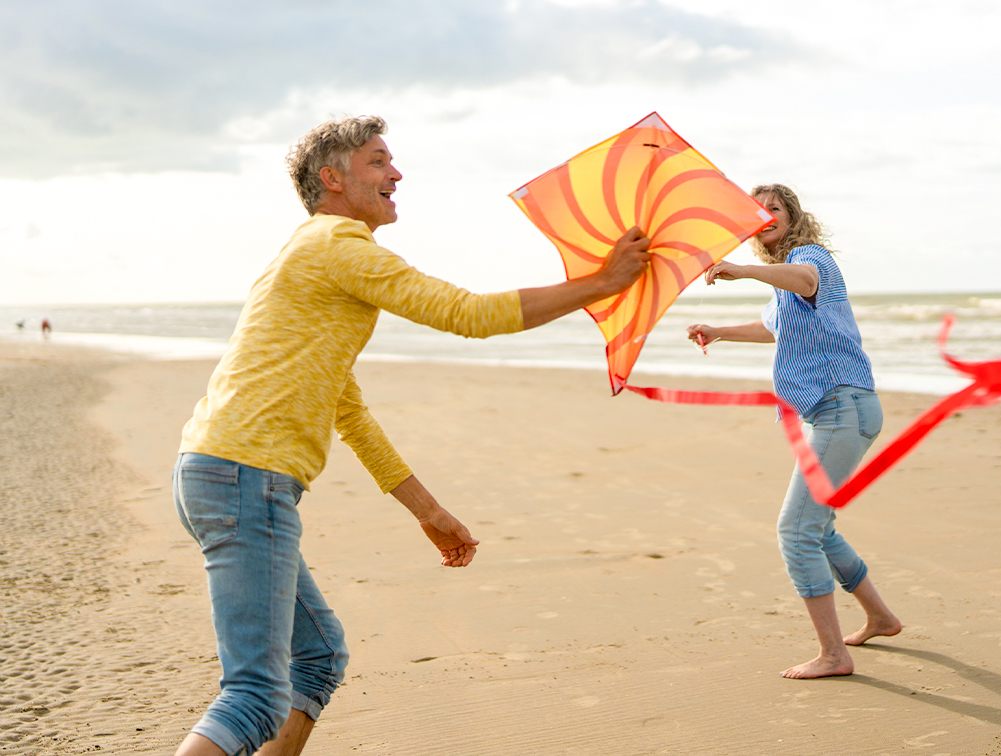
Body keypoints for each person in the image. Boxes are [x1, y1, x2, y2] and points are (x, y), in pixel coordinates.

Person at [172, 116, 651, 756]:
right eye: (378, 161)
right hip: (243, 476)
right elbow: (468, 315)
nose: (396, 173)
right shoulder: (337, 246)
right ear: (333, 178)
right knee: (255, 693)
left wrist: (428, 511)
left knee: (317, 660)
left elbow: (350, 411)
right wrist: (602, 283)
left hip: (228, 474)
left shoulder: (314, 257)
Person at [686, 184, 901, 679]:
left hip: (841, 408)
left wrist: (741, 270)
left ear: (792, 216)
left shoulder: (809, 257)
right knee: (818, 528)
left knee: (796, 530)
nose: (766, 216)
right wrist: (719, 331)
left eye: (774, 208)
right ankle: (881, 617)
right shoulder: (782, 281)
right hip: (840, 410)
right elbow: (774, 327)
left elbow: (804, 280)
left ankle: (833, 655)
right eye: (756, 212)